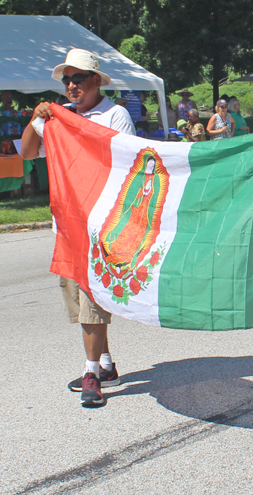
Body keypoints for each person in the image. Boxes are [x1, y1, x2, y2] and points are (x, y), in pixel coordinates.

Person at [20, 48, 136, 408]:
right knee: (78, 297)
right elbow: (26, 152)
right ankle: (105, 364)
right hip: (68, 223)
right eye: (66, 80)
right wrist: (37, 119)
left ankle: (90, 373)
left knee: (92, 299)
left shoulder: (116, 115)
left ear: (96, 80)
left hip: (101, 224)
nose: (71, 85)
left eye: (78, 78)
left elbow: (123, 162)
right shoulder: (60, 118)